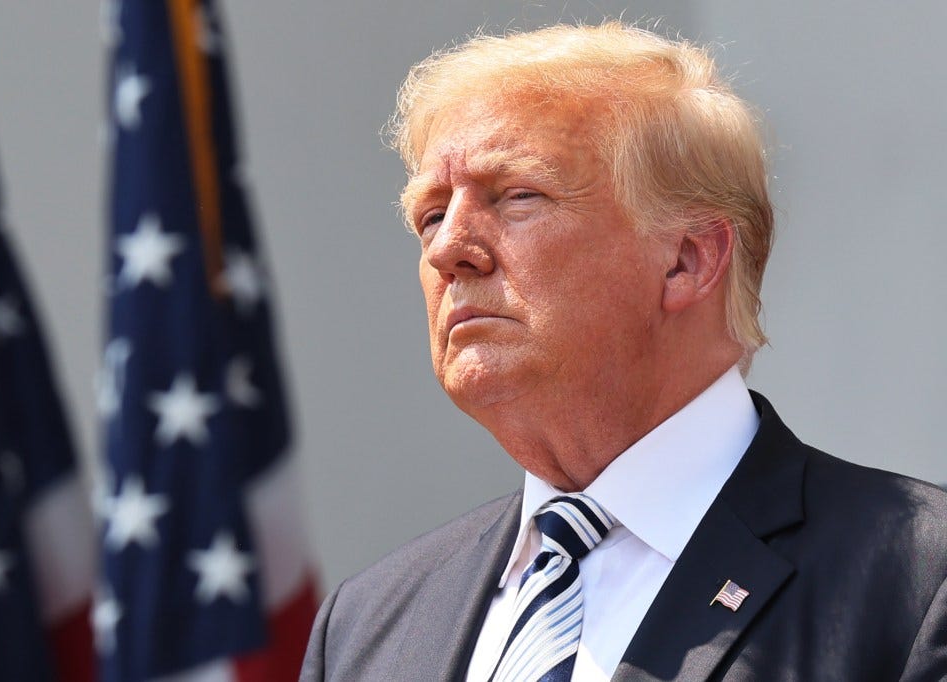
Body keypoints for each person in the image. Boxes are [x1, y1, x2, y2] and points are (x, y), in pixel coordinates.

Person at [300, 22, 947, 681]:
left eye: (518, 196)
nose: (447, 249)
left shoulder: (918, 581)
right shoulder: (364, 628)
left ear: (687, 260)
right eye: (432, 215)